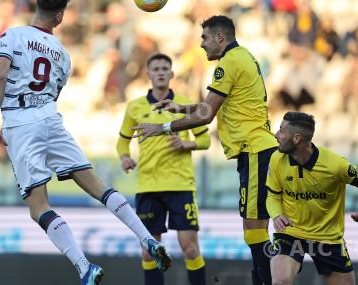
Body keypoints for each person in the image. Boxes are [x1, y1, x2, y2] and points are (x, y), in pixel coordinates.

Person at [0, 0, 171, 285]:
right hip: (50, 118)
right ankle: (146, 238)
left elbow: (2, 76)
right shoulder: (63, 55)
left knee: (38, 207)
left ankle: (84, 267)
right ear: (59, 16)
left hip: (20, 123)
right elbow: (53, 92)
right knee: (98, 185)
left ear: (38, 6)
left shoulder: (12, 36)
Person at [132, 15, 279, 285]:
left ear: (219, 38)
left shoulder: (229, 62)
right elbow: (212, 105)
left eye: (205, 38)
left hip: (256, 150)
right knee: (254, 228)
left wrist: (165, 127)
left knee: (255, 227)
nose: (201, 44)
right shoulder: (243, 57)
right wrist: (182, 107)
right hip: (256, 151)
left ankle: (267, 280)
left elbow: (207, 115)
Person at [117, 53, 211, 285]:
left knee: (189, 248)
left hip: (180, 185)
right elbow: (122, 140)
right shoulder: (135, 107)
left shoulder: (184, 103)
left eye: (164, 68)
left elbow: (205, 140)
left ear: (171, 74)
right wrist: (125, 157)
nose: (160, 72)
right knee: (150, 251)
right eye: (155, 68)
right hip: (148, 186)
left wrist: (187, 143)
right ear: (148, 74)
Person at [266, 112, 358, 285]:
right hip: (290, 233)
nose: (276, 135)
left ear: (297, 139)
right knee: (280, 281)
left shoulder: (336, 165)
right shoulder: (276, 159)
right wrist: (277, 214)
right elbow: (272, 195)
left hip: (327, 238)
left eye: (281, 131)